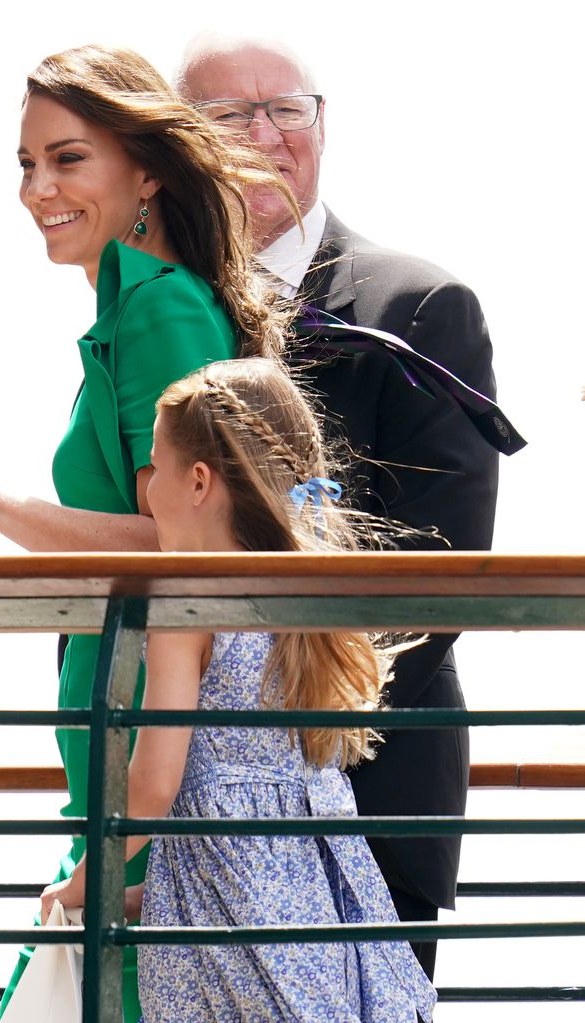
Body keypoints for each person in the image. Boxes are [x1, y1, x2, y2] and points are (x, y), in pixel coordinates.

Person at [0, 44, 292, 1023]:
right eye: (24, 163)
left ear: (146, 170)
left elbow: (185, 541)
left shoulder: (156, 310)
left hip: (148, 753)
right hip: (126, 748)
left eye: (66, 159)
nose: (36, 189)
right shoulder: (139, 306)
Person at [176, 33, 502, 980]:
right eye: (228, 115)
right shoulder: (164, 306)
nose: (264, 135)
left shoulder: (421, 304)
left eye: (288, 109)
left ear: (324, 127)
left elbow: (439, 563)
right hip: (179, 789)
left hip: (369, 780)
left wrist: (285, 744)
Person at [45, 357, 437, 1023]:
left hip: (231, 935)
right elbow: (253, 818)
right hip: (319, 914)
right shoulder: (298, 599)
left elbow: (155, 785)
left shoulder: (188, 602)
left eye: (155, 467)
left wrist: (87, 884)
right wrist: (148, 893)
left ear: (198, 481)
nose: (147, 494)